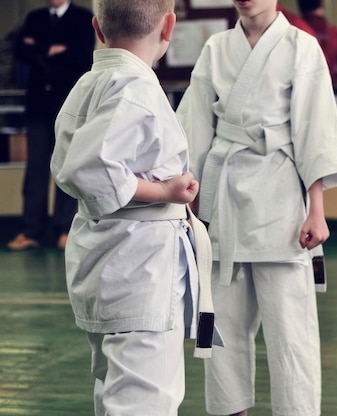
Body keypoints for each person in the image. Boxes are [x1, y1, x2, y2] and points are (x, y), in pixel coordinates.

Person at [176, 0, 337, 414]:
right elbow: (195, 127)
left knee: (292, 334)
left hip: (281, 205)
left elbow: (316, 129)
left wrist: (317, 208)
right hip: (224, 205)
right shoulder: (215, 48)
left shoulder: (301, 46)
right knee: (223, 329)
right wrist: (189, 205)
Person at [50, 0, 218, 414]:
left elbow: (67, 167)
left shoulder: (91, 82)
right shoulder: (134, 88)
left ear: (97, 28)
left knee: (117, 397)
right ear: (169, 27)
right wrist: (165, 193)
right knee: (144, 401)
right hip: (138, 267)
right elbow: (88, 169)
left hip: (110, 259)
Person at [7, 0, 95, 251]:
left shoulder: (81, 18)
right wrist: (55, 51)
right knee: (35, 168)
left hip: (68, 107)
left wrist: (43, 51)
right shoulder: (34, 18)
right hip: (38, 108)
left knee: (67, 167)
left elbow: (82, 56)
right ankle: (31, 230)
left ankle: (65, 228)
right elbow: (20, 51)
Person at [296, 0, 337, 85]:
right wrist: (333, 82)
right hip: (331, 89)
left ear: (300, 7)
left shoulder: (294, 31)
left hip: (299, 89)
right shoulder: (335, 33)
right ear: (322, 6)